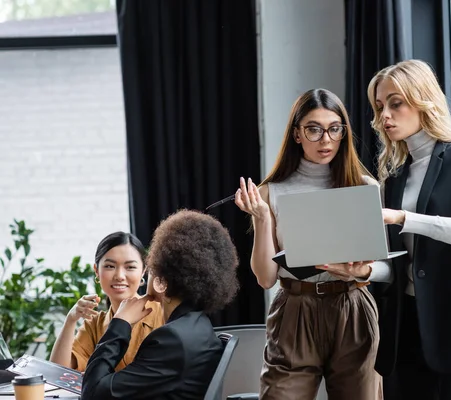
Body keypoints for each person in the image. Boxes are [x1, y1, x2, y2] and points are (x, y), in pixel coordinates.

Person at [235, 88, 390, 400]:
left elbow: (386, 267)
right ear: (297, 134)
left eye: (335, 129)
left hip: (352, 305)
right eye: (314, 129)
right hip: (294, 309)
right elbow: (265, 278)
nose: (326, 139)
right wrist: (263, 219)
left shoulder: (364, 187)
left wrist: (362, 271)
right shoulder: (271, 192)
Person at [367, 59, 451, 399]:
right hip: (408, 330)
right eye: (380, 106)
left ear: (423, 99)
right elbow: (402, 265)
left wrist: (403, 218)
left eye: (395, 103)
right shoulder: (395, 179)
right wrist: (365, 270)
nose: (385, 116)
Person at [81, 210, 240, 399]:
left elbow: (93, 393)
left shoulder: (172, 339)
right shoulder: (198, 325)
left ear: (161, 279)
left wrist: (120, 322)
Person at [50, 232, 163, 372]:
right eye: (110, 266)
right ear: (97, 271)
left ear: (143, 271)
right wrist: (70, 320)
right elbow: (59, 372)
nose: (120, 276)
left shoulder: (162, 313)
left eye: (130, 267)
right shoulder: (94, 326)